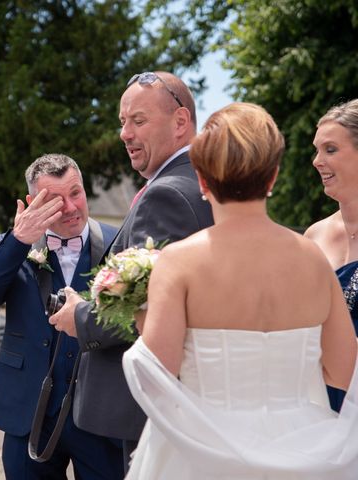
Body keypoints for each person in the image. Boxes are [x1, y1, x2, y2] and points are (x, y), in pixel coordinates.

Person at [121, 102, 358, 479]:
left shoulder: (179, 262)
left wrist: (143, 317)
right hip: (303, 444)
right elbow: (343, 370)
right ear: (273, 177)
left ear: (202, 180)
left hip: (201, 454)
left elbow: (159, 372)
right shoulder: (313, 259)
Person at [48, 71, 213, 466]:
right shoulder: (197, 183)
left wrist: (79, 316)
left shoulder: (167, 194)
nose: (124, 133)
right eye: (123, 122)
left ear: (180, 123)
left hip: (152, 408)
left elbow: (151, 304)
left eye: (138, 121)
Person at [0, 154, 123, 479]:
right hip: (28, 413)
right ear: (32, 202)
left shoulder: (119, 244)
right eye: (54, 200)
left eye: (75, 193)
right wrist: (18, 241)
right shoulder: (15, 249)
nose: (70, 208)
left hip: (97, 415)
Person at [305, 98, 358, 411]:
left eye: (330, 149)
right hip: (322, 399)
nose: (316, 161)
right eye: (316, 149)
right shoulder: (314, 236)